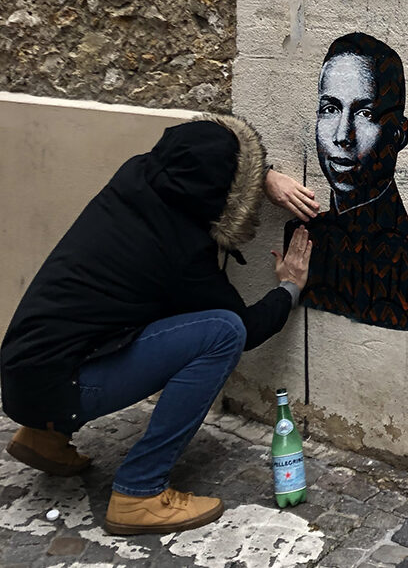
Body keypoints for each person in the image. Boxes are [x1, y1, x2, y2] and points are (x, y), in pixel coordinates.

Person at [0, 114, 317, 535]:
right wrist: (289, 288)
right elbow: (246, 328)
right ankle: (140, 492)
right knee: (224, 332)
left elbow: (197, 155)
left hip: (21, 377)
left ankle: (42, 436)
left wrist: (267, 175)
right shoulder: (183, 249)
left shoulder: (135, 176)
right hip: (60, 387)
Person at [285, 32, 408, 331]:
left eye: (365, 113)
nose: (342, 135)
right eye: (330, 109)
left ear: (399, 134)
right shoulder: (302, 235)